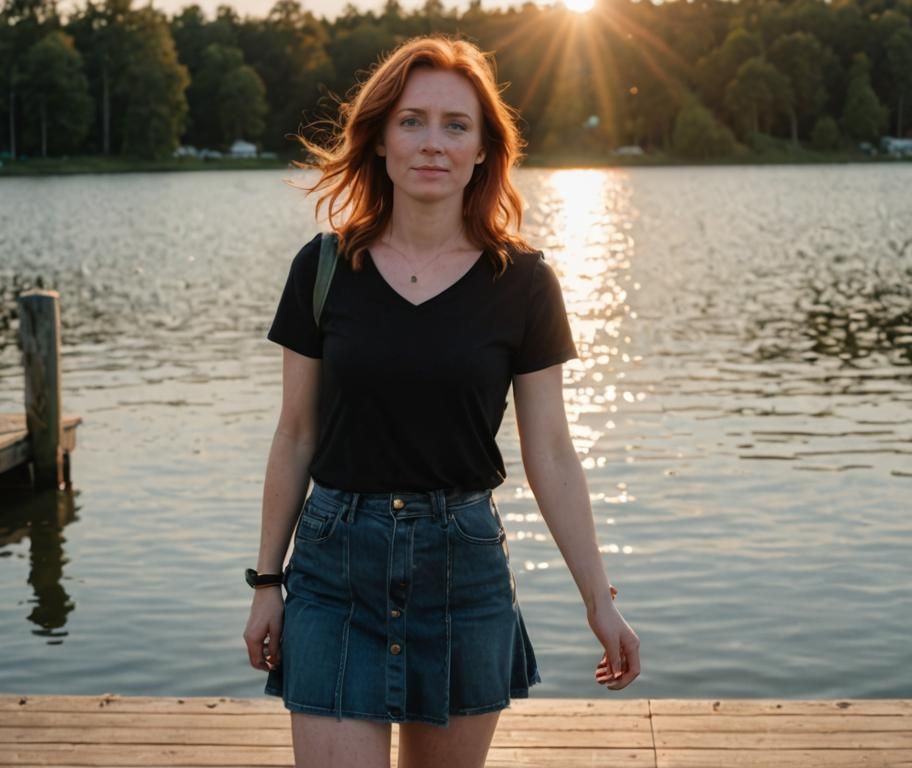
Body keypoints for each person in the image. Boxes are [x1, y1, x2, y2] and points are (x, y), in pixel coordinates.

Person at [241, 34, 641, 768]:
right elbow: (295, 435)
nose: (434, 143)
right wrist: (268, 582)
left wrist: (598, 598)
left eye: (456, 125)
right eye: (412, 120)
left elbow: (551, 450)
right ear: (381, 139)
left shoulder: (522, 282)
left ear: (485, 148)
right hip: (335, 574)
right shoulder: (322, 268)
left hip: (463, 569)